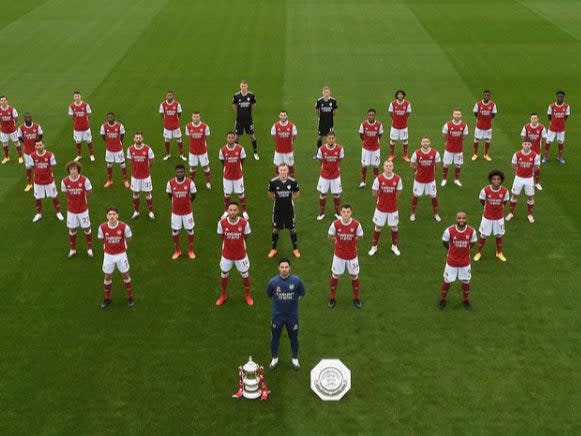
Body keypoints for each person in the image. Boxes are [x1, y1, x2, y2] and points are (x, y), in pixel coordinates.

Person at [267, 258, 305, 371]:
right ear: (279, 268)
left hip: (292, 317)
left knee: (294, 338)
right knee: (275, 338)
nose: (284, 269)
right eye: (282, 267)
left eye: (286, 267)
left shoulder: (297, 281)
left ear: (289, 268)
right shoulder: (273, 282)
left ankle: (294, 358)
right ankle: (274, 358)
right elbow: (269, 294)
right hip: (277, 317)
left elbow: (302, 293)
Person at [216, 201, 253, 306]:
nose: (232, 212)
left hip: (241, 255)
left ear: (238, 211)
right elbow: (221, 236)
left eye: (235, 210)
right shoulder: (222, 223)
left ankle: (247, 295)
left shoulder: (244, 223)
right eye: (230, 210)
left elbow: (246, 236)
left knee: (245, 274)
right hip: (227, 255)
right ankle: (223, 295)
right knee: (224, 274)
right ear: (227, 211)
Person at [439, 211, 477, 310]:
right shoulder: (449, 231)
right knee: (447, 281)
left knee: (466, 281)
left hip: (465, 262)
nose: (461, 220)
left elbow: (472, 243)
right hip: (452, 262)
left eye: (463, 218)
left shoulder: (471, 231)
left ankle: (465, 300)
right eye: (459, 218)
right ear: (456, 219)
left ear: (466, 219)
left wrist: (465, 250)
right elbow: (444, 243)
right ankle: (443, 299)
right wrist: (452, 250)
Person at [97, 207, 134, 309]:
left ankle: (130, 297)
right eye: (110, 214)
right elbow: (101, 239)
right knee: (107, 276)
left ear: (117, 215)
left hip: (121, 254)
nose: (112, 216)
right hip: (108, 255)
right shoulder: (102, 227)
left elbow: (129, 238)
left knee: (125, 275)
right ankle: (107, 298)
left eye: (114, 214)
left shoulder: (124, 227)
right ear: (107, 216)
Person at [328, 204, 363, 308]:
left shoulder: (356, 224)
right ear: (340, 213)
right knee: (335, 275)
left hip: (352, 256)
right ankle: (332, 298)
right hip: (339, 255)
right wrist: (336, 241)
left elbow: (360, 236)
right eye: (343, 212)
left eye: (348, 212)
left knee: (354, 276)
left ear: (351, 212)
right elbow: (330, 236)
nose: (346, 214)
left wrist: (352, 242)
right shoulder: (335, 224)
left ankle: (356, 297)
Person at [368, 159, 402, 257]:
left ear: (393, 167)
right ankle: (374, 246)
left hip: (393, 208)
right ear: (384, 167)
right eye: (387, 166)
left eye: (390, 166)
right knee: (378, 227)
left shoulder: (397, 178)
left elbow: (398, 192)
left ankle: (394, 246)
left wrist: (391, 199)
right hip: (381, 208)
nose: (388, 168)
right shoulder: (379, 179)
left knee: (394, 227)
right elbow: (374, 193)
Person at [474, 170, 509, 262]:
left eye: (498, 179)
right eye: (494, 179)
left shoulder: (505, 191)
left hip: (499, 217)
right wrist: (487, 207)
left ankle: (499, 252)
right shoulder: (485, 190)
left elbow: (504, 202)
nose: (496, 181)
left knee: (499, 235)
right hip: (487, 217)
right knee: (483, 235)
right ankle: (478, 252)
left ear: (501, 180)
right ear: (491, 180)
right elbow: (482, 200)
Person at [61, 161, 93, 258]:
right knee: (72, 228)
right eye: (71, 169)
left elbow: (89, 191)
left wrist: (84, 199)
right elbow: (64, 192)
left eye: (75, 169)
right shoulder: (65, 181)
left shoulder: (84, 180)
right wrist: (71, 200)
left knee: (86, 228)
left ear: (78, 170)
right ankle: (73, 249)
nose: (73, 171)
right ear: (69, 171)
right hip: (71, 210)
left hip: (83, 210)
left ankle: (89, 248)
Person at [267, 164, 300, 259]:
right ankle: (273, 249)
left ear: (288, 171)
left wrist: (291, 199)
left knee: (292, 229)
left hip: (289, 209)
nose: (283, 172)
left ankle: (295, 249)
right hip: (277, 209)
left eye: (285, 170)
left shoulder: (293, 182)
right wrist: (276, 199)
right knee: (275, 229)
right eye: (281, 170)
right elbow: (270, 192)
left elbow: (297, 192)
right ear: (278, 171)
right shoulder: (273, 182)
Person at [27, 141, 64, 223]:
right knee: (37, 197)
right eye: (37, 145)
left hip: (49, 180)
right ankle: (38, 214)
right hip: (38, 181)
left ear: (43, 145)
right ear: (35, 146)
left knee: (54, 196)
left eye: (40, 145)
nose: (39, 146)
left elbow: (52, 165)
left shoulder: (50, 155)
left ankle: (58, 212)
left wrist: (47, 173)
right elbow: (32, 166)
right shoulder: (32, 156)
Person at [166, 164, 197, 260]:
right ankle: (177, 250)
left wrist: (187, 202)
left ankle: (190, 250)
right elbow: (169, 195)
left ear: (184, 172)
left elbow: (194, 194)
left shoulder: (190, 182)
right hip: (175, 212)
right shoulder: (170, 183)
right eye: (178, 172)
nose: (180, 174)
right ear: (176, 172)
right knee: (175, 231)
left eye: (181, 172)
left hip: (187, 212)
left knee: (190, 230)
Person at [506, 138, 540, 224]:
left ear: (531, 145)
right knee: (514, 195)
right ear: (522, 144)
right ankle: (511, 213)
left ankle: (530, 214)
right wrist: (518, 171)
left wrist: (532, 172)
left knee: (530, 197)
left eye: (528, 144)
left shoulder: (535, 155)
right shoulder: (517, 154)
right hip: (518, 178)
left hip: (529, 179)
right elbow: (513, 164)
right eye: (525, 144)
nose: (527, 146)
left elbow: (536, 166)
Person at [409, 136, 441, 222]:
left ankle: (436, 214)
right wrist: (417, 170)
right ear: (421, 143)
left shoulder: (435, 153)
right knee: (416, 196)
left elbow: (437, 165)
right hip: (419, 180)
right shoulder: (417, 153)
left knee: (433, 196)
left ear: (429, 143)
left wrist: (432, 172)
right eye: (424, 142)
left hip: (430, 180)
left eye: (427, 142)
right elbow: (412, 164)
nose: (425, 143)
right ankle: (413, 213)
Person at [219, 131, 249, 220]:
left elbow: (243, 159)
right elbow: (222, 161)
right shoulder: (223, 150)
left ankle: (244, 211)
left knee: (241, 194)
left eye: (232, 137)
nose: (231, 139)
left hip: (238, 177)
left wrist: (238, 168)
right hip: (227, 177)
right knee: (227, 195)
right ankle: (226, 211)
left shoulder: (240, 148)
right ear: (226, 138)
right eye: (229, 137)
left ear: (235, 138)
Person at [126, 132, 155, 220]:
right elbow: (130, 160)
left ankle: (150, 211)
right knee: (135, 193)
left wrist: (147, 168)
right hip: (135, 177)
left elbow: (152, 159)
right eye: (136, 138)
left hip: (146, 176)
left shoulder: (147, 149)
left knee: (148, 193)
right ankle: (136, 211)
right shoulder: (130, 149)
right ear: (134, 139)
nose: (138, 139)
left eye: (140, 138)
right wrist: (135, 168)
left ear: (142, 139)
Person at [316, 132, 344, 221]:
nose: (331, 140)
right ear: (326, 139)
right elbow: (320, 160)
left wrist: (337, 167)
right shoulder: (322, 149)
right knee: (323, 193)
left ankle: (337, 212)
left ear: (335, 139)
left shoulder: (340, 149)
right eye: (329, 138)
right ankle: (322, 212)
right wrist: (324, 167)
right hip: (324, 175)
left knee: (336, 194)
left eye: (332, 138)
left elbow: (340, 159)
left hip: (335, 176)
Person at [100, 112, 129, 188]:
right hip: (109, 150)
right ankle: (109, 180)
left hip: (118, 149)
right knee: (109, 165)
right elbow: (103, 136)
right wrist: (107, 142)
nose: (110, 118)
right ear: (107, 118)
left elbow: (122, 135)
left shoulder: (120, 126)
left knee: (122, 164)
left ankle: (125, 180)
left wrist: (120, 142)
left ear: (114, 117)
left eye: (111, 117)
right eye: (108, 117)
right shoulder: (104, 126)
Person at [441, 108, 469, 187]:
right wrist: (446, 141)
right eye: (456, 114)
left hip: (459, 149)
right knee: (446, 164)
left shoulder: (464, 125)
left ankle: (456, 180)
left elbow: (464, 135)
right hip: (449, 149)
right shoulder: (448, 124)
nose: (457, 115)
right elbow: (444, 133)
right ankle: (444, 179)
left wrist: (459, 142)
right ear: (453, 114)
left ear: (461, 115)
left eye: (459, 114)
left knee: (458, 165)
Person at [232, 80, 259, 160]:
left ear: (247, 86)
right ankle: (236, 153)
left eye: (245, 86)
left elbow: (254, 105)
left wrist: (248, 112)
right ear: (240, 86)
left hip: (248, 120)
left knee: (252, 136)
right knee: (236, 137)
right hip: (239, 120)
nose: (243, 87)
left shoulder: (251, 95)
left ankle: (255, 152)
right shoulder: (236, 95)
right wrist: (240, 112)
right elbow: (234, 105)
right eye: (242, 86)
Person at [184, 111, 212, 189]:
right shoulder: (188, 126)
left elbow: (206, 137)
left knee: (205, 166)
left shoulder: (205, 126)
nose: (196, 118)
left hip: (203, 151)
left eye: (197, 117)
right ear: (192, 117)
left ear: (200, 117)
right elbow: (188, 136)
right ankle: (191, 183)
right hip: (192, 151)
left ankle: (208, 182)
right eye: (194, 117)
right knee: (193, 167)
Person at [17, 112, 43, 191]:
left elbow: (41, 134)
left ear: (31, 118)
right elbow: (19, 137)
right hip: (27, 152)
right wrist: (25, 141)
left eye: (29, 117)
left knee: (38, 167)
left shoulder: (36, 126)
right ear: (24, 119)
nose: (28, 119)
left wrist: (37, 141)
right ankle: (29, 184)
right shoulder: (21, 127)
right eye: (26, 117)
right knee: (28, 168)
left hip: (36, 152)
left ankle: (40, 181)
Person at [521, 113, 547, 190]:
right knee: (525, 166)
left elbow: (544, 138)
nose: (534, 120)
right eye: (532, 118)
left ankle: (537, 183)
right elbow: (523, 137)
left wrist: (540, 145)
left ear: (538, 119)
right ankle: (524, 182)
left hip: (536, 152)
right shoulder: (526, 127)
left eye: (535, 118)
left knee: (537, 168)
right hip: (526, 152)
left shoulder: (541, 127)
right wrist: (525, 146)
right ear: (530, 119)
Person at [358, 108, 383, 188]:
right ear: (368, 116)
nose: (371, 116)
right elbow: (361, 135)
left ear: (375, 116)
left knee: (376, 165)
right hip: (366, 149)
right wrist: (365, 141)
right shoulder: (363, 124)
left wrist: (376, 142)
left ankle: (376, 183)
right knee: (364, 165)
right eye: (370, 115)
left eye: (373, 115)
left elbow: (380, 135)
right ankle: (363, 181)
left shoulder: (379, 124)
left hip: (376, 149)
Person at [544, 90, 571, 164]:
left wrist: (561, 122)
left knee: (560, 142)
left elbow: (566, 116)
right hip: (552, 128)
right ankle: (545, 157)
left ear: (563, 97)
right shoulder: (551, 106)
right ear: (556, 97)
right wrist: (551, 122)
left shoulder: (566, 106)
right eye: (559, 96)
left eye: (561, 96)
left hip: (561, 128)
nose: (560, 98)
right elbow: (549, 115)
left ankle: (560, 157)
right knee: (548, 141)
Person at [68, 91, 95, 162]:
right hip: (77, 128)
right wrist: (76, 121)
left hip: (86, 127)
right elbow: (71, 115)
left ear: (80, 96)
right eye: (75, 96)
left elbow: (89, 114)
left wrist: (85, 120)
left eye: (78, 96)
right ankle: (79, 155)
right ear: (73, 97)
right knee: (78, 141)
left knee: (89, 141)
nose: (77, 98)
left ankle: (91, 155)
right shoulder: (71, 106)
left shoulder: (85, 105)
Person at [472, 89, 497, 161]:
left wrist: (488, 120)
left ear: (490, 96)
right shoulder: (478, 104)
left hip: (488, 127)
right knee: (476, 139)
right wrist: (479, 119)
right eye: (485, 95)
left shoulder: (493, 105)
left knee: (487, 140)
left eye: (488, 95)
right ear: (483, 95)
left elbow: (493, 114)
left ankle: (486, 154)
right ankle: (475, 154)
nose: (486, 96)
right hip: (479, 126)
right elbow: (475, 113)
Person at [159, 91, 184, 161]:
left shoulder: (177, 104)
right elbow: (161, 114)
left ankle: (181, 154)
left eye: (170, 95)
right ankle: (168, 154)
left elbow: (179, 113)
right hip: (167, 126)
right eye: (168, 95)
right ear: (166, 96)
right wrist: (165, 120)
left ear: (173, 96)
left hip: (176, 126)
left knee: (179, 139)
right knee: (167, 140)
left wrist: (176, 120)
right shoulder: (163, 104)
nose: (169, 97)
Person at [271, 110, 297, 177]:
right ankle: (278, 182)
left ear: (287, 116)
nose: (283, 117)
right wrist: (279, 141)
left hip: (289, 150)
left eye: (284, 115)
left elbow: (294, 135)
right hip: (279, 151)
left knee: (290, 166)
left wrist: (291, 141)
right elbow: (273, 135)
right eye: (281, 115)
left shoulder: (291, 125)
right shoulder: (275, 125)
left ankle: (292, 181)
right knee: (277, 166)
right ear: (279, 116)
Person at [314, 86, 338, 157]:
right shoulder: (319, 101)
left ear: (329, 92)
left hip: (330, 123)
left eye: (327, 92)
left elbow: (335, 110)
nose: (326, 93)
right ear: (322, 93)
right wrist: (320, 116)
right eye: (325, 92)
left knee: (331, 137)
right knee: (319, 137)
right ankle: (318, 152)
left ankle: (331, 151)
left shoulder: (333, 101)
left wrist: (330, 116)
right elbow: (316, 109)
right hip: (321, 123)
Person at [387, 90, 412, 161]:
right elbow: (391, 113)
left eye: (401, 95)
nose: (400, 96)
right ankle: (391, 155)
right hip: (394, 126)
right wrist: (394, 119)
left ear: (403, 95)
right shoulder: (392, 104)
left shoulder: (407, 104)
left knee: (405, 140)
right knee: (393, 140)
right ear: (397, 95)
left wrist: (403, 120)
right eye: (399, 95)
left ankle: (405, 155)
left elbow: (408, 114)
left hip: (404, 126)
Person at [0, 96, 20, 164]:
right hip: (3, 131)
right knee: (5, 144)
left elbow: (16, 117)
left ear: (7, 101)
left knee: (16, 142)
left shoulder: (12, 109)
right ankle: (6, 157)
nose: (3, 102)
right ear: (0, 102)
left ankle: (20, 157)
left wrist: (14, 123)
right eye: (2, 100)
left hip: (12, 130)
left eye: (4, 100)